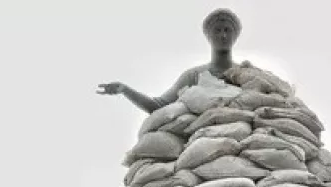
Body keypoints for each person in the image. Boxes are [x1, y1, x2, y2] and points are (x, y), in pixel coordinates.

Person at [97, 9, 241, 114]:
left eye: (228, 30)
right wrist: (125, 90)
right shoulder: (194, 75)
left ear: (235, 36)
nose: (223, 35)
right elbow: (159, 106)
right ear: (208, 36)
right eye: (217, 30)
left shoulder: (249, 74)